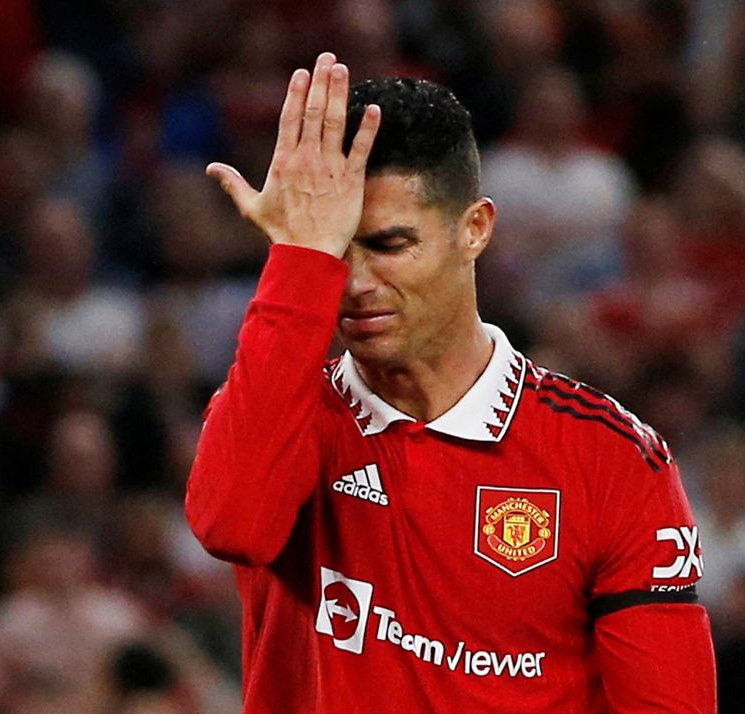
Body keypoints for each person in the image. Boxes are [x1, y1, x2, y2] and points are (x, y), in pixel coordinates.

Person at [185, 52, 716, 712]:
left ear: (475, 229)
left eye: (386, 245)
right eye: (333, 251)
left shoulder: (613, 461)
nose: (352, 283)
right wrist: (298, 258)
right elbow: (230, 526)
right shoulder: (281, 416)